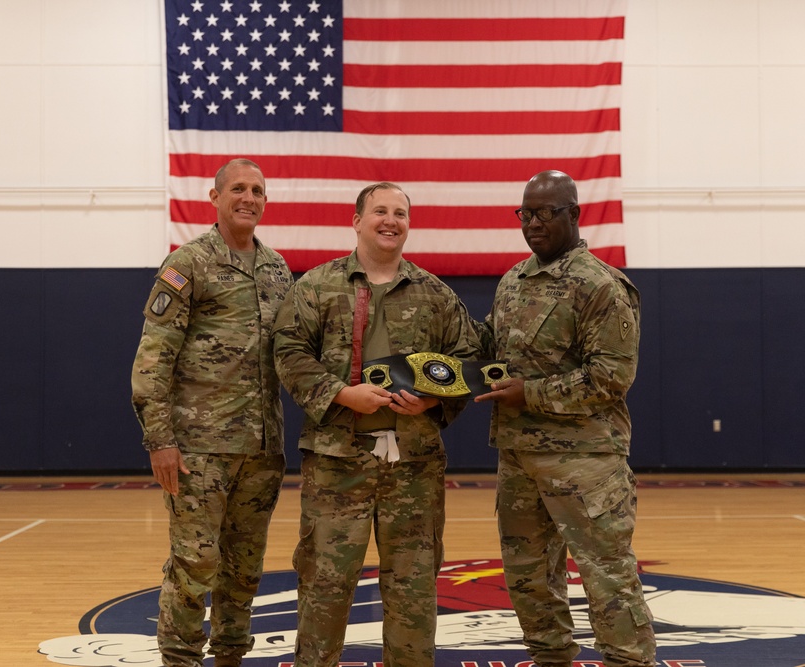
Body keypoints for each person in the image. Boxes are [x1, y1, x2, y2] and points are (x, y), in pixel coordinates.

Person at [272, 182, 482, 667]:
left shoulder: (435, 294)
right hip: (336, 464)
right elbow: (288, 351)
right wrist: (342, 394)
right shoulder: (317, 286)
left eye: (400, 213)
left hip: (414, 467)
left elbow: (469, 360)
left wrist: (433, 402)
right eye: (380, 211)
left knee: (413, 591)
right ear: (357, 221)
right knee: (324, 586)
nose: (391, 221)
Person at [474, 170, 657, 667]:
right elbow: (490, 347)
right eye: (525, 214)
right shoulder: (514, 279)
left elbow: (611, 378)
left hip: (586, 461)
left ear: (574, 214)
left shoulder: (601, 285)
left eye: (545, 212)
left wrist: (527, 393)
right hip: (519, 458)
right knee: (528, 575)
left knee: (607, 578)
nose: (533, 223)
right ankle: (550, 657)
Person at [130, 158, 293, 667]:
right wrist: (160, 439)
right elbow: (152, 357)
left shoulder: (277, 269)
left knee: (244, 569)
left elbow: (294, 354)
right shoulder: (188, 264)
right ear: (215, 197)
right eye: (238, 189)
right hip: (199, 449)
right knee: (196, 563)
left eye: (258, 190)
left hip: (262, 451)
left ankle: (229, 657)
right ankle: (179, 659)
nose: (249, 198)